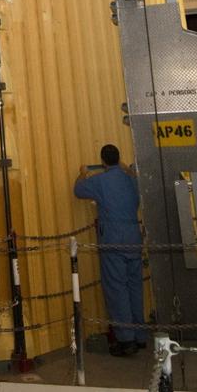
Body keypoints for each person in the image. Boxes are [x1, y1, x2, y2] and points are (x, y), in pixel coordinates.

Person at [74, 144, 148, 356]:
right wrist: (129, 171)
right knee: (135, 286)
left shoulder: (99, 181)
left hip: (113, 239)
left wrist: (81, 174)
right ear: (119, 159)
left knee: (117, 289)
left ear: (103, 161)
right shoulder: (130, 180)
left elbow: (78, 190)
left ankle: (126, 340)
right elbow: (139, 189)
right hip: (134, 237)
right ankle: (141, 335)